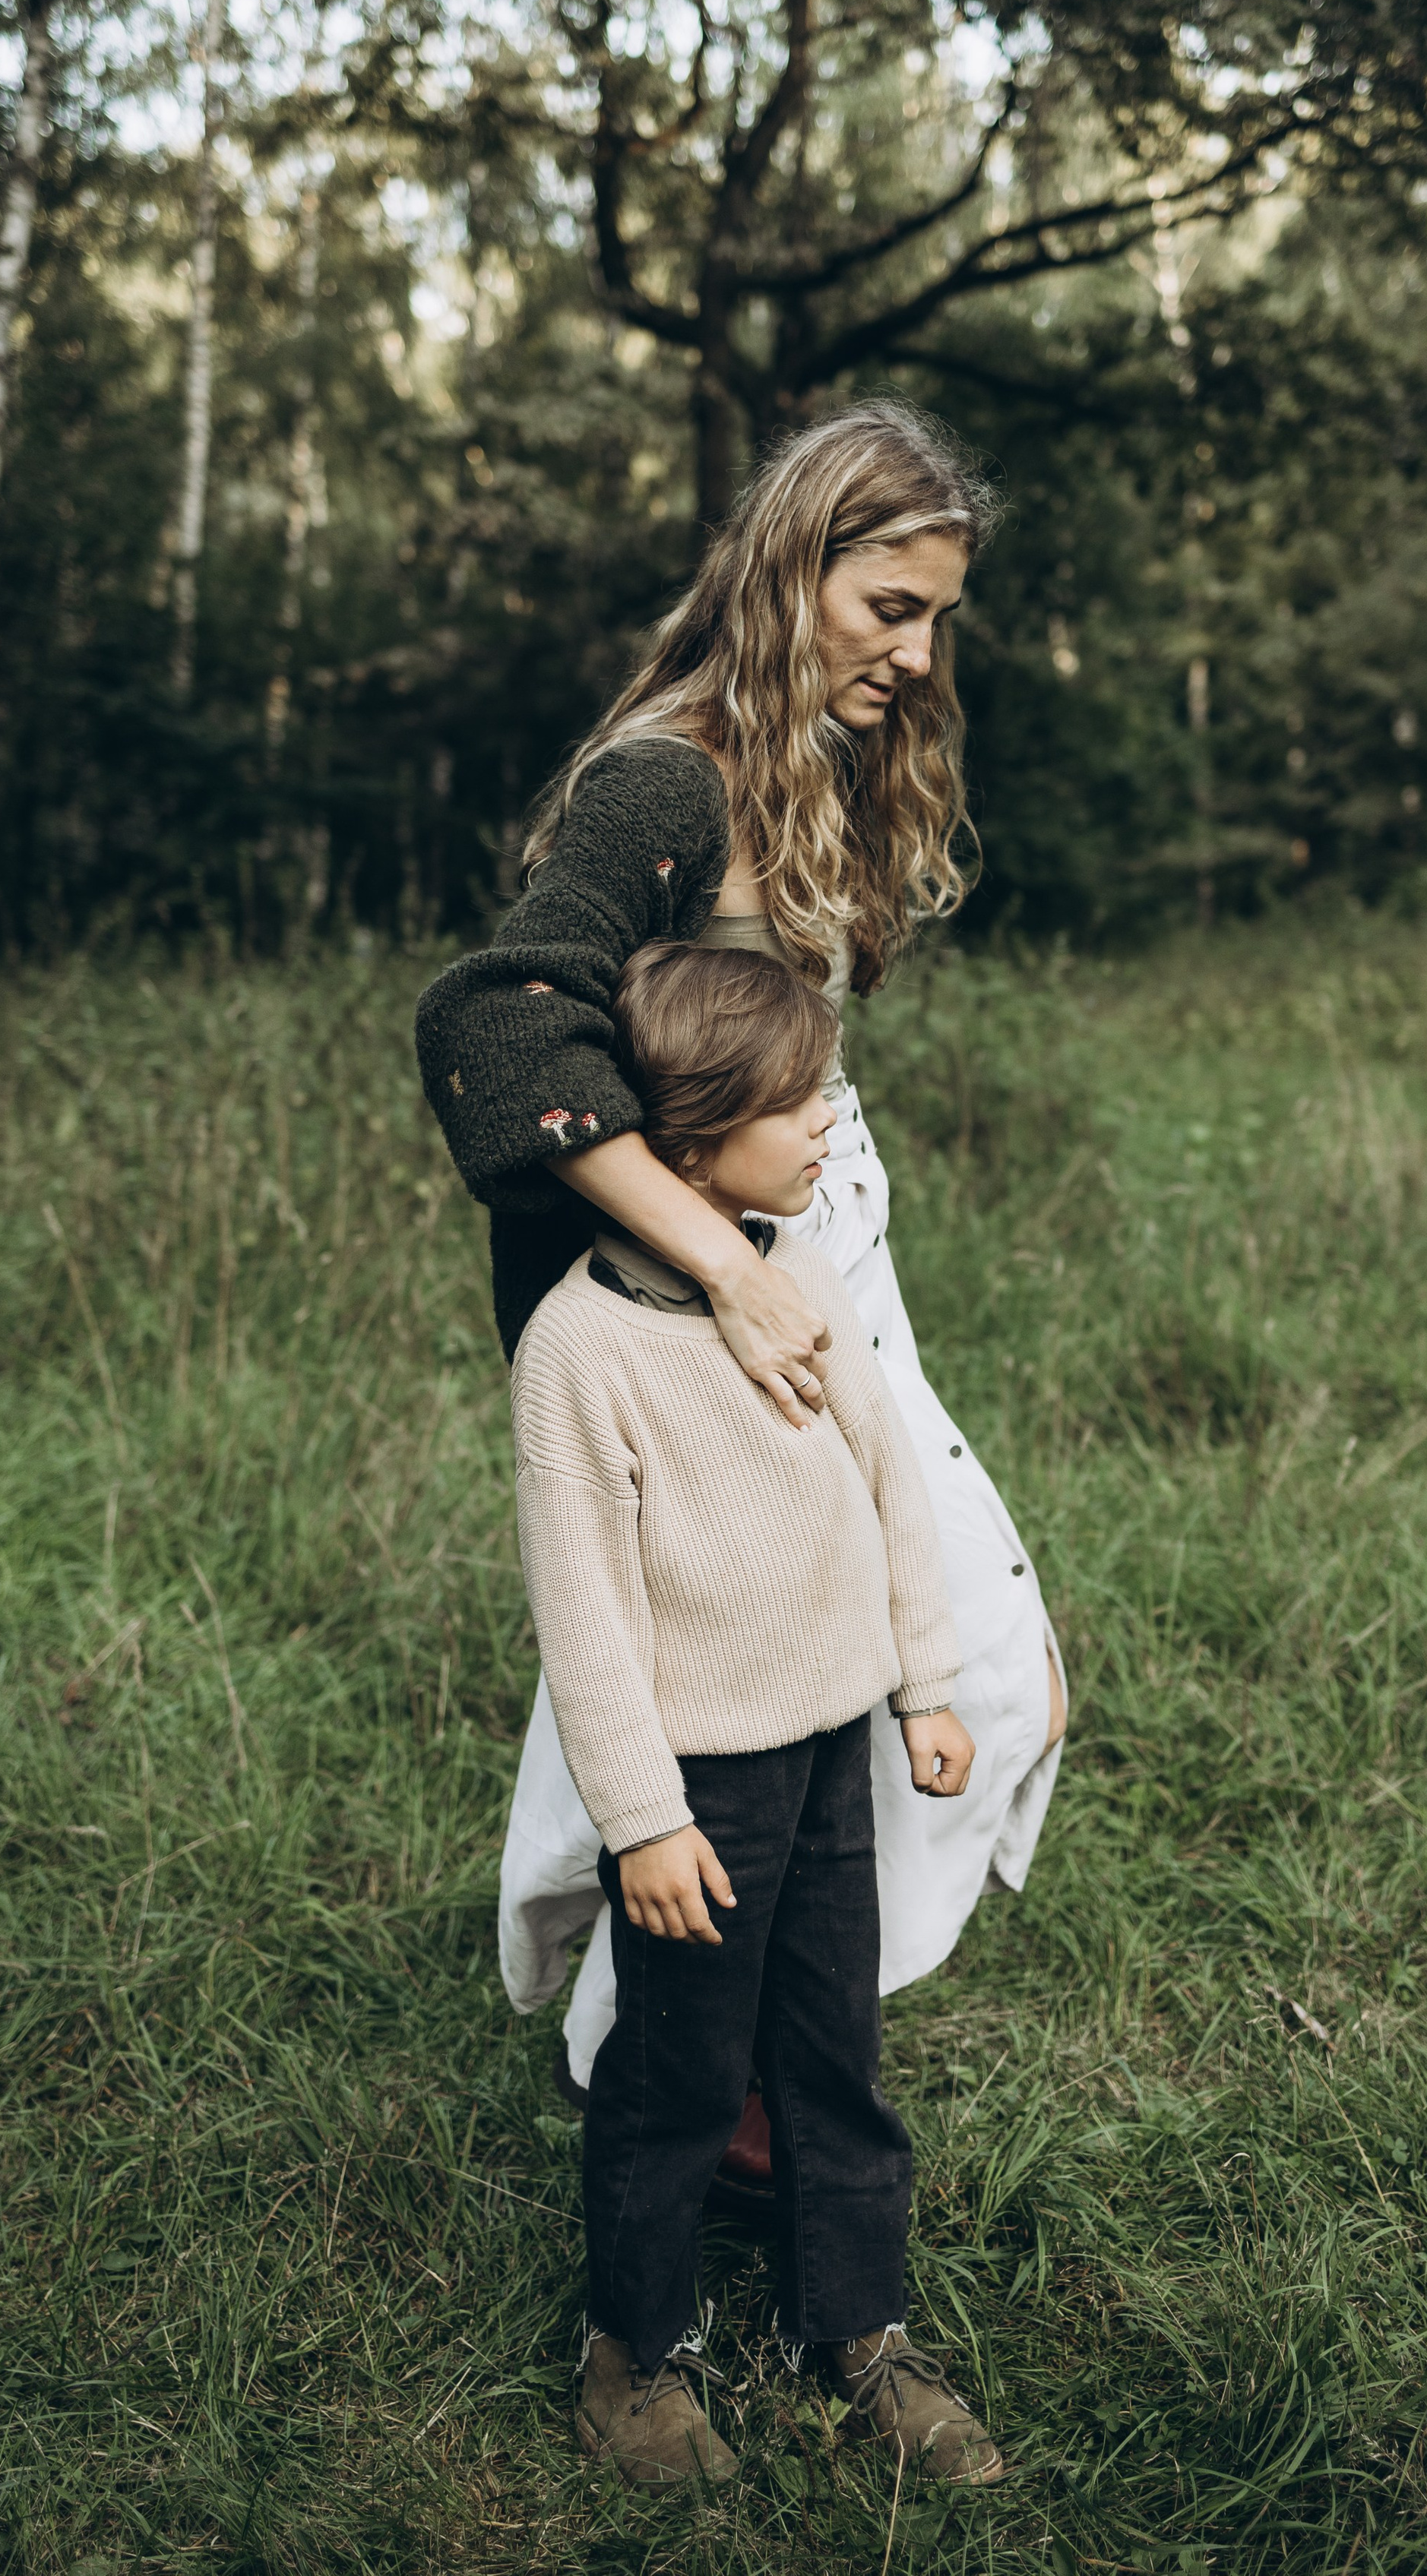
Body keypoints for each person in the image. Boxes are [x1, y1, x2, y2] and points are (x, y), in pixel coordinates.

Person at [415, 398, 1066, 2162]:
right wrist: (725, 1267)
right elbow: (501, 1023)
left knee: (881, 1651)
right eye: (889, 611)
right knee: (783, 1667)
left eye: (937, 619)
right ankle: (686, 2063)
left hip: (811, 1257)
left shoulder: (806, 768)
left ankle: (758, 2051)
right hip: (713, 1291)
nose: (918, 656)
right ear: (795, 569)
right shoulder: (668, 774)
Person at [512, 938, 1002, 2484]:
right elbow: (583, 1612)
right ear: (694, 1132)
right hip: (695, 1795)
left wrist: (923, 1682)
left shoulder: (792, 1285)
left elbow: (888, 1488)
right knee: (673, 2080)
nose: (825, 1132)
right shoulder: (581, 1354)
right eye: (798, 1107)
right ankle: (635, 2361)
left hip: (831, 1757)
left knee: (829, 2052)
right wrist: (641, 1820)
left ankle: (852, 2326)